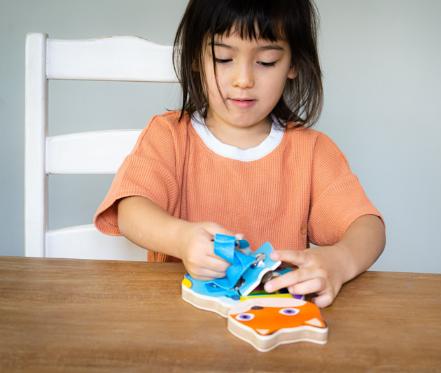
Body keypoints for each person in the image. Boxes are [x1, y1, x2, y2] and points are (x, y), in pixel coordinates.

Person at [94, 0, 385, 308]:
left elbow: (368, 228)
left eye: (267, 61)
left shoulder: (311, 151)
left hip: (275, 328)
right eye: (223, 57)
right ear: (195, 57)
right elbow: (130, 211)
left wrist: (339, 261)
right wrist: (181, 238)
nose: (243, 79)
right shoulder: (169, 136)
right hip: (177, 324)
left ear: (294, 64)